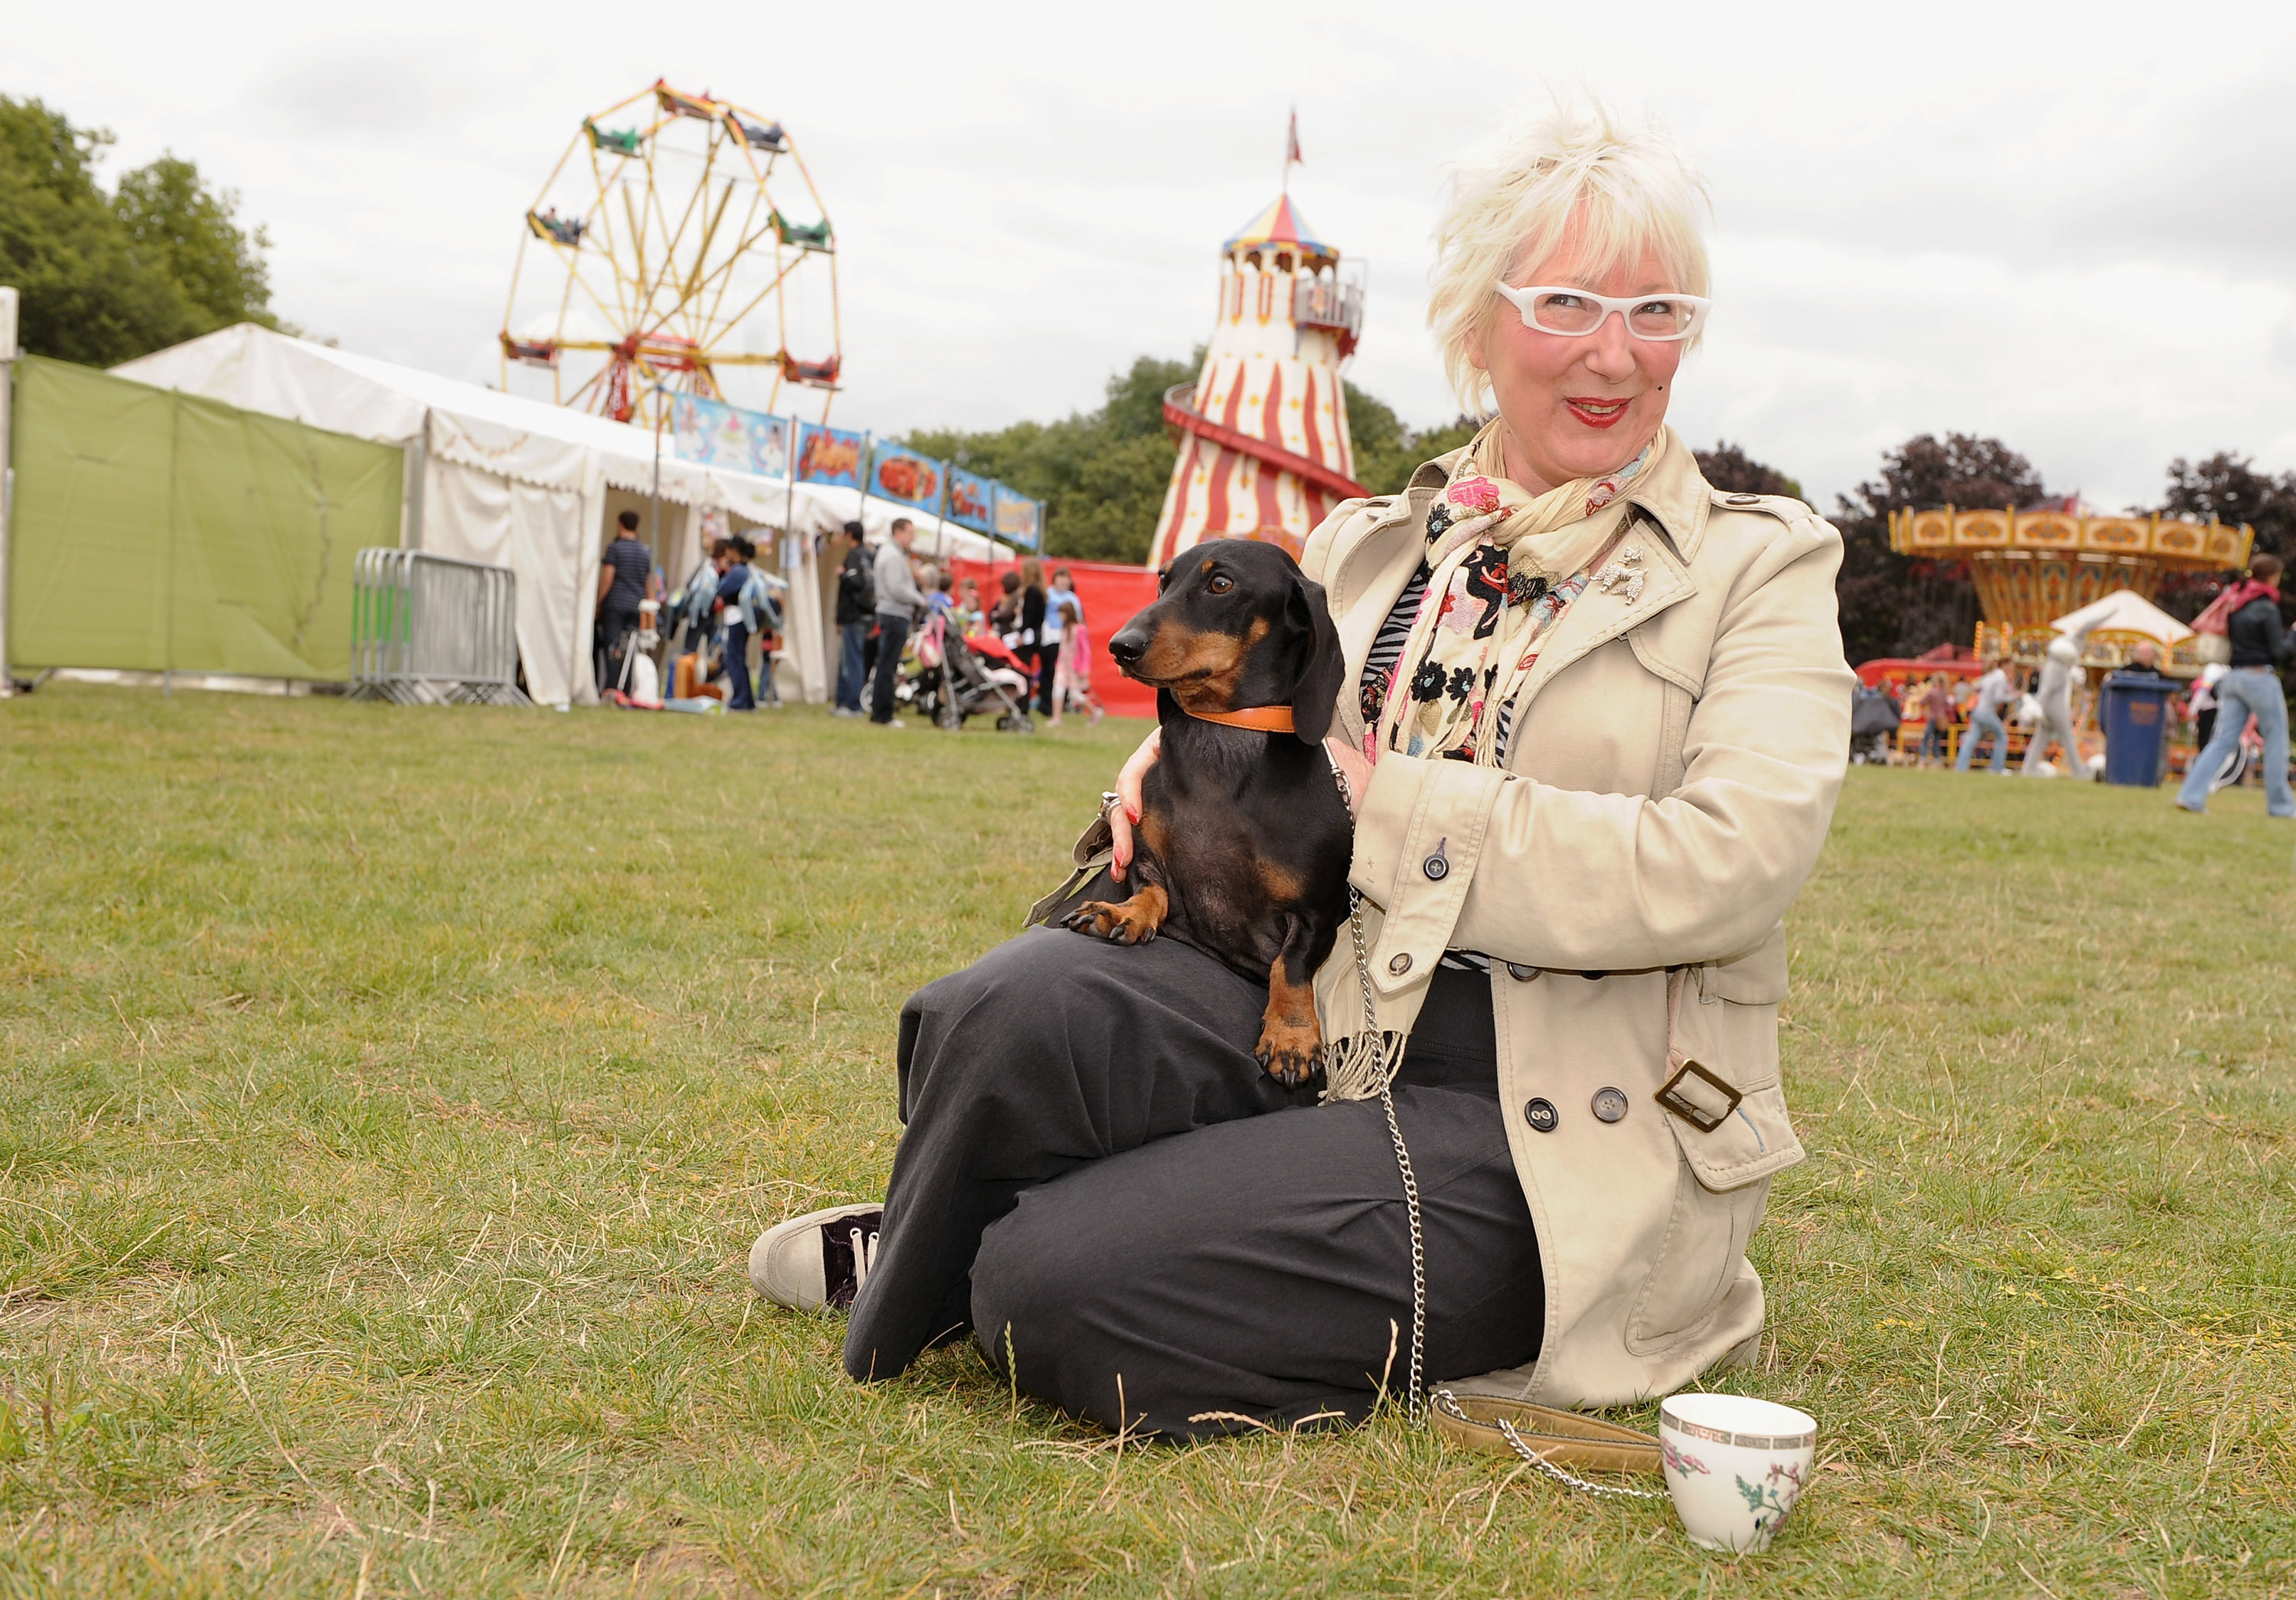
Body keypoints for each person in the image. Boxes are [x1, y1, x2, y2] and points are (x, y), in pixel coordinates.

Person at [750, 100, 1853, 1437]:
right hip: (1318, 1011)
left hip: (1549, 1111)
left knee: (1061, 1295)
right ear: (1482, 320)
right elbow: (1251, 727)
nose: (1614, 353)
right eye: (1566, 302)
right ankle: (1028, 1226)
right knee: (999, 1013)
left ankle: (1002, 1236)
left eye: (1659, 311)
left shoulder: (1763, 567)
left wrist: (1391, 807)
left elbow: (1727, 865)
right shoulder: (1369, 549)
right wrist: (1162, 758)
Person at [2176, 553, 2294, 816]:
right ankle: (2281, 806)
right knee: (2276, 741)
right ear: (2273, 577)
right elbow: (2277, 651)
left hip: (2233, 678)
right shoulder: (2267, 607)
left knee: (2221, 741)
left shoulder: (2236, 604)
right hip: (2260, 677)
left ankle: (2191, 795)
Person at [869, 519, 925, 728]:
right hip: (894, 614)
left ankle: (880, 712)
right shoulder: (892, 556)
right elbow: (896, 588)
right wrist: (919, 598)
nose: (913, 538)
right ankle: (883, 713)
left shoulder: (892, 554)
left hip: (892, 613)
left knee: (887, 664)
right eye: (910, 533)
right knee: (888, 665)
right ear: (898, 532)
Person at [595, 511, 653, 692]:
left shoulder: (615, 548)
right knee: (629, 649)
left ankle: (612, 687)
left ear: (620, 525)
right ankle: (626, 687)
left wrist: (598, 601)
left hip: (615, 604)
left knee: (613, 647)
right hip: (636, 605)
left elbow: (608, 577)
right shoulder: (644, 552)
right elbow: (649, 583)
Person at [2021, 634, 2092, 780]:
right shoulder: (2057, 669)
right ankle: (2078, 771)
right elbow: (2047, 690)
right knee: (2068, 739)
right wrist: (2037, 704)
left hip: (2050, 708)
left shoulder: (2054, 667)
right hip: (2056, 709)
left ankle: (2028, 768)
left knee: (2041, 738)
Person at [1046, 570, 1101, 728]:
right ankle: (1056, 718)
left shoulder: (1079, 629)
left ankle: (1094, 711)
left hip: (1074, 667)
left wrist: (1084, 668)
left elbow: (1085, 650)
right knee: (1057, 690)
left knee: (1075, 694)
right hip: (1063, 665)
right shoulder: (1065, 629)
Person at [713, 536, 761, 711]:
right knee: (738, 659)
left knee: (734, 659)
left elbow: (721, 589)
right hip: (740, 617)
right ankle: (746, 700)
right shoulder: (745, 569)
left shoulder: (738, 571)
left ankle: (740, 700)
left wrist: (724, 570)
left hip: (737, 617)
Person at [833, 522, 874, 718]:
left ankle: (852, 705)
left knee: (852, 660)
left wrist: (843, 575)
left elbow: (856, 582)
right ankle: (843, 703)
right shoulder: (868, 555)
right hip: (862, 615)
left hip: (854, 615)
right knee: (848, 660)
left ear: (849, 535)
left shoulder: (856, 555)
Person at [1955, 655, 2015, 774]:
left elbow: (1975, 685)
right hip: (1986, 712)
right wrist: (2014, 696)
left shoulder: (1991, 675)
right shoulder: (2001, 677)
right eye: (2011, 665)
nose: (2013, 667)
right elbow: (1998, 697)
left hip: (1977, 710)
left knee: (1972, 739)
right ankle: (1997, 768)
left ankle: (1961, 767)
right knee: (2002, 737)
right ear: (2005, 665)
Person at [1016, 556, 1053, 717]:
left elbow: (1029, 616)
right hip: (1038, 635)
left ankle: (1022, 704)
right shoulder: (1041, 590)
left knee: (1023, 669)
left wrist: (1021, 633)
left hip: (1029, 636)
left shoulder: (1031, 590)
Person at [1917, 672, 1955, 767]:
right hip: (1942, 719)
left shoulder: (1932, 692)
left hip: (1933, 717)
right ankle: (1937, 759)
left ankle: (1923, 758)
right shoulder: (1945, 692)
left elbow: (1922, 702)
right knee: (1936, 740)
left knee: (1926, 737)